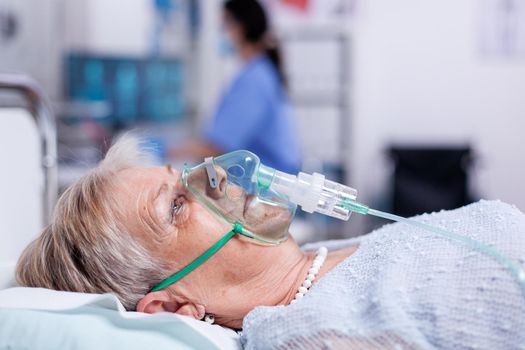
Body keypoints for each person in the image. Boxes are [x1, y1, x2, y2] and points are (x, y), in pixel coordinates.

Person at [16, 136, 525, 349]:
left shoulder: (337, 255)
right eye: (175, 205)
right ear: (174, 305)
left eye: (188, 172)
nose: (213, 177)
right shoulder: (304, 332)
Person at [172, 0, 302, 174]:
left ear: (241, 28)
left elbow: (219, 146)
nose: (221, 33)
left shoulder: (254, 80)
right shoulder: (259, 71)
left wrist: (164, 150)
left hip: (267, 189)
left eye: (224, 25)